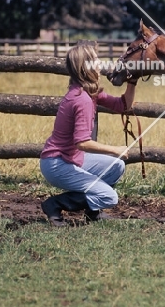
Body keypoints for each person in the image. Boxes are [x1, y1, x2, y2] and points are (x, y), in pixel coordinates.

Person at [40, 41, 137, 227]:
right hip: (57, 164)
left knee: (116, 167)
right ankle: (55, 204)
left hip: (70, 158)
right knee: (109, 197)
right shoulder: (82, 99)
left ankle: (92, 213)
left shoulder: (87, 92)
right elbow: (82, 143)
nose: (100, 64)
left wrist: (132, 81)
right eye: (96, 60)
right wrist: (115, 149)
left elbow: (123, 105)